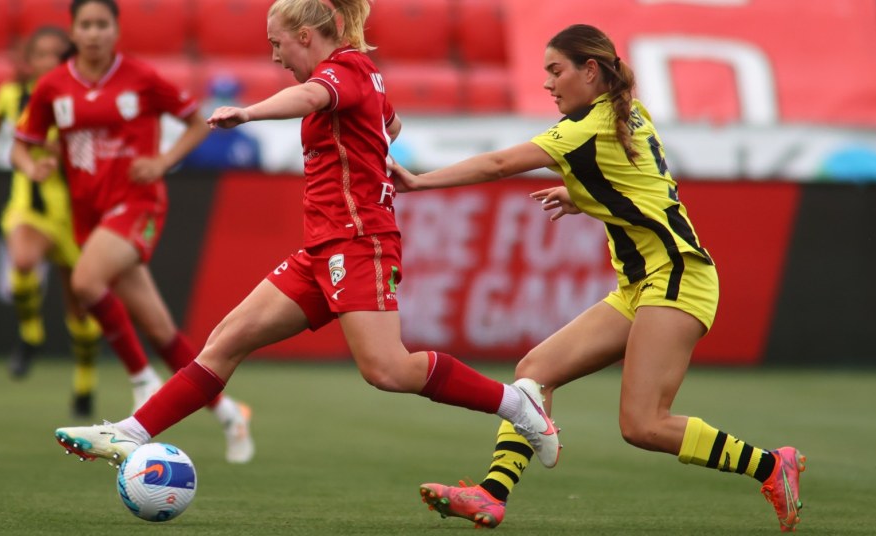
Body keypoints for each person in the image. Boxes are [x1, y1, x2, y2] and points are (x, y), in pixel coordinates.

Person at [52, 0, 558, 477]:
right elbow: (392, 122)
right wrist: (372, 149)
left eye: (277, 44)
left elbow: (313, 96)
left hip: (358, 241)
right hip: (323, 246)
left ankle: (516, 404)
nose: (275, 57)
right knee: (226, 340)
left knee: (387, 369)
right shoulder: (361, 74)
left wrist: (248, 112)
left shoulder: (344, 69)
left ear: (305, 36)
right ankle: (129, 433)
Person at [391, 24, 806, 533]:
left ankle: (771, 465)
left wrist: (419, 181)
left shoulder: (584, 129)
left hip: (676, 277)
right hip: (642, 286)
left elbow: (499, 163)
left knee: (644, 424)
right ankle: (492, 494)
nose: (548, 83)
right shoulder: (628, 111)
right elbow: (642, 182)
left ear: (590, 71)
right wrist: (583, 195)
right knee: (534, 372)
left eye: (556, 70)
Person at [13, 0, 253, 463]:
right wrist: (33, 166)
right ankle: (229, 413)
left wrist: (163, 161)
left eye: (102, 24)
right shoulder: (53, 86)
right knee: (160, 329)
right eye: (86, 25)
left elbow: (196, 122)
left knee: (85, 281)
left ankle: (142, 380)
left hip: (138, 204)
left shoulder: (141, 77)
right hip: (89, 215)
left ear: (116, 30)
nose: (94, 33)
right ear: (73, 31)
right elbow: (20, 147)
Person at [0, 26, 102, 418]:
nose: (48, 62)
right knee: (22, 261)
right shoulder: (14, 95)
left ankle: (84, 383)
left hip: (76, 213)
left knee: (81, 306)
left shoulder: (83, 98)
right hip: (32, 205)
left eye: (57, 55)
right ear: (30, 60)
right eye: (41, 54)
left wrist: (66, 150)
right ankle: (31, 333)